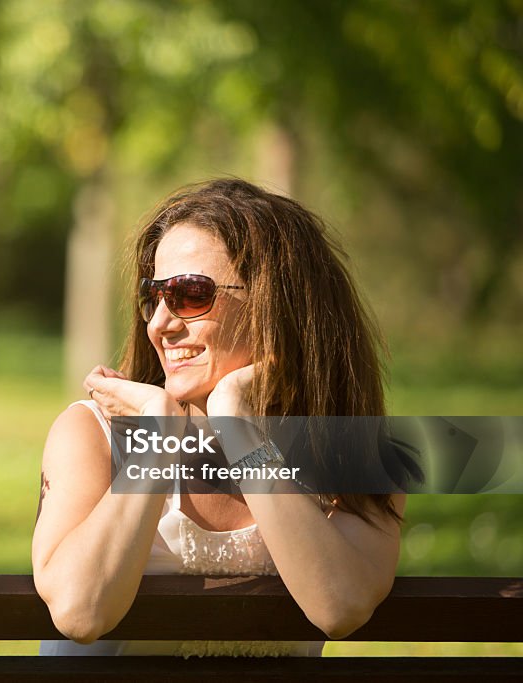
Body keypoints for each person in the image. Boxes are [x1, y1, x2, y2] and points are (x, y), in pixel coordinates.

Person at [32, 178, 413, 656]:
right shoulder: (91, 434)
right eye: (155, 296)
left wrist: (237, 423)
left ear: (278, 306)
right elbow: (80, 611)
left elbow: (339, 606)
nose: (160, 324)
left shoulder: (358, 453)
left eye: (190, 294)